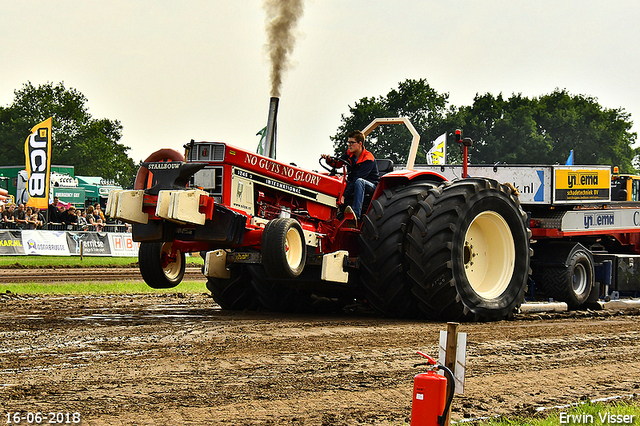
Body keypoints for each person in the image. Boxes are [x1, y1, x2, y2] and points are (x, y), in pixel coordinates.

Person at [321, 130, 379, 222]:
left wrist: (344, 195)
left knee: (359, 182)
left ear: (360, 143)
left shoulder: (368, 159)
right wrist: (328, 160)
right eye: (348, 142)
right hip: (354, 181)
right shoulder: (349, 153)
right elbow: (338, 163)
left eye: (352, 143)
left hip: (371, 185)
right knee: (337, 180)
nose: (349, 145)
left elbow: (357, 178)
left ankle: (355, 215)